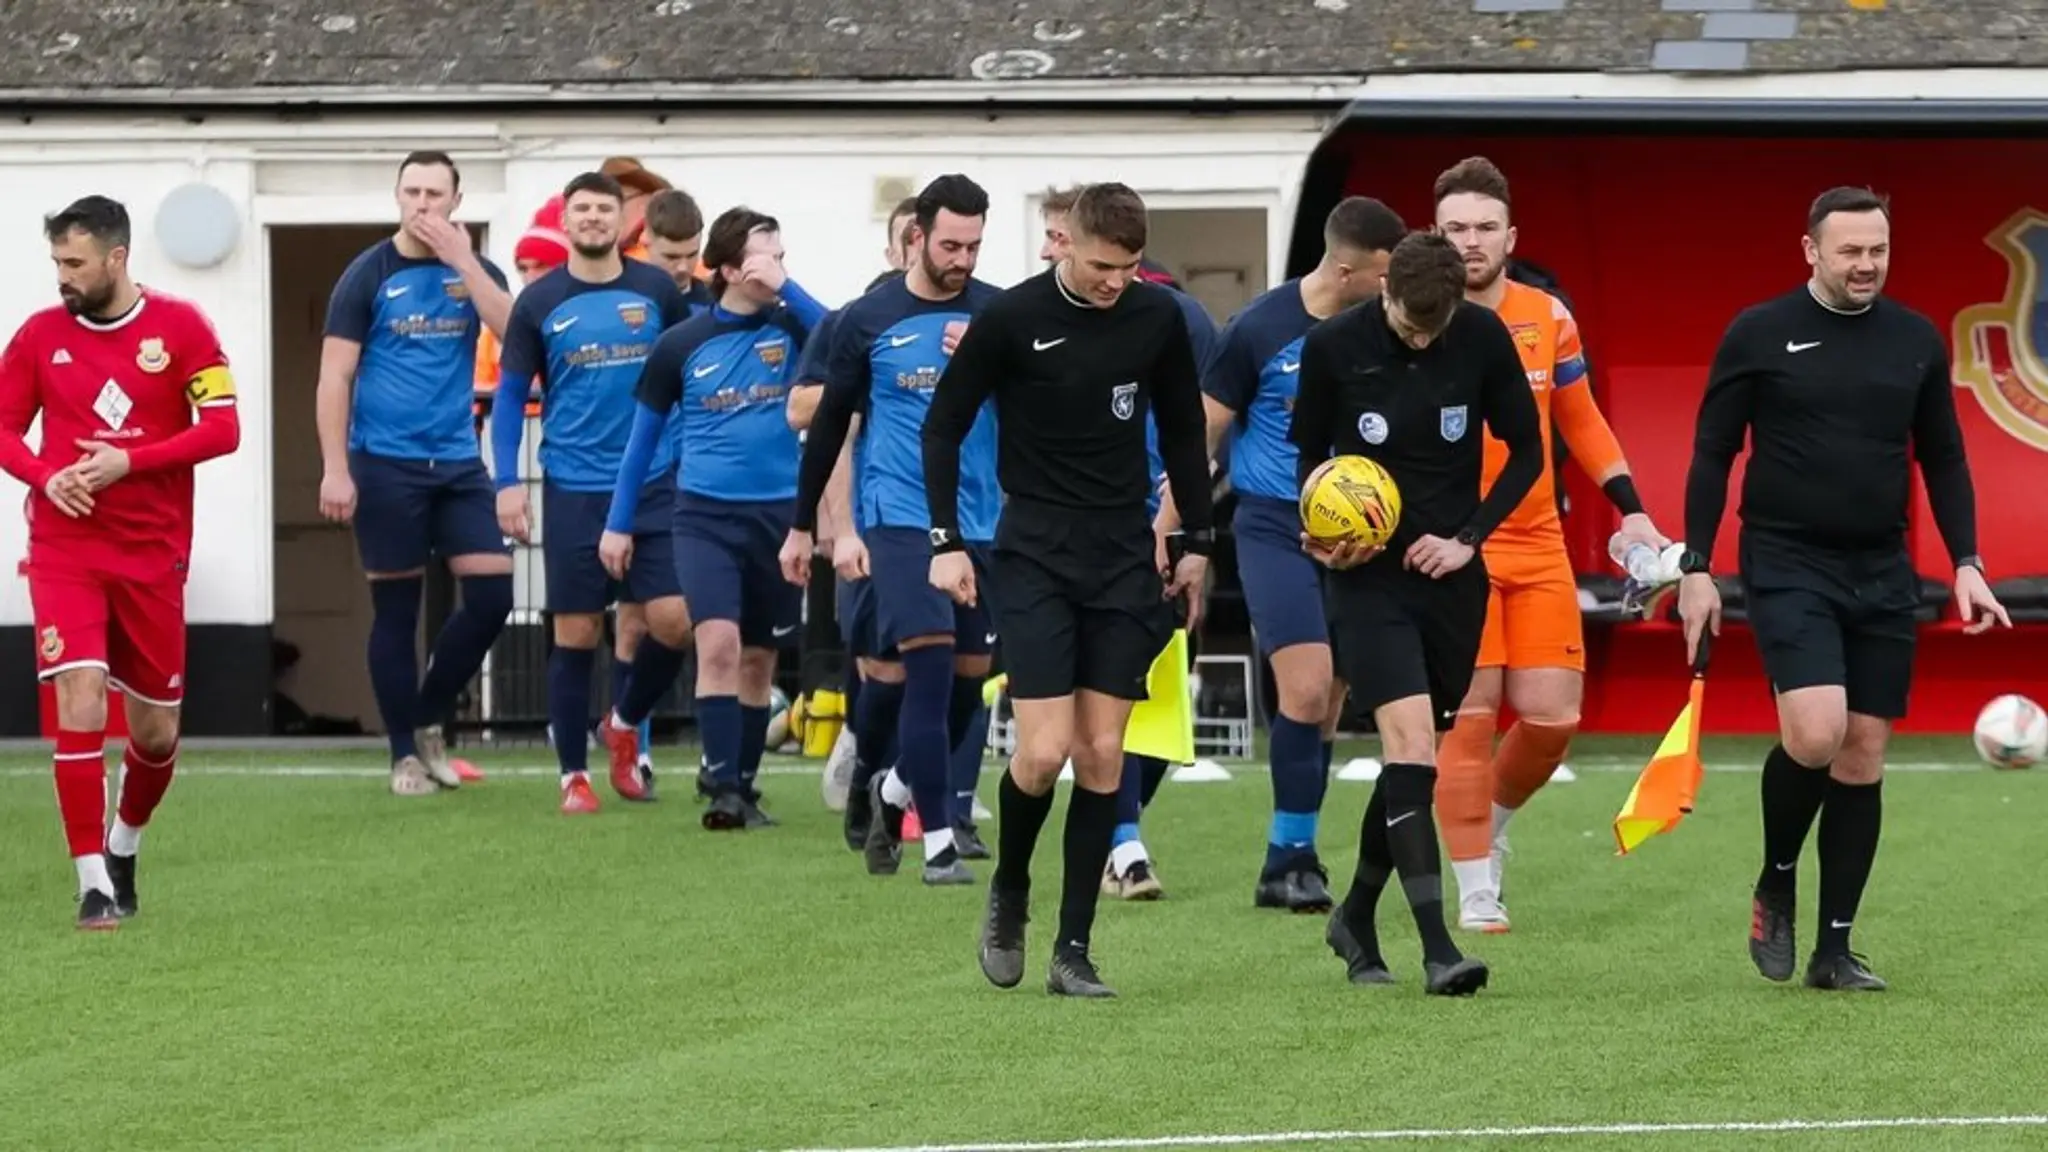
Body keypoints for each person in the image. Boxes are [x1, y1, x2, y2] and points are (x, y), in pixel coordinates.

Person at [1678, 186, 2008, 992]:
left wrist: (1967, 560)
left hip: (1883, 568)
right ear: (1811, 251)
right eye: (1850, 250)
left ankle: (1835, 949)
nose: (1866, 265)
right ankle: (1777, 878)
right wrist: (1694, 567)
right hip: (1787, 560)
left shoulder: (1915, 340)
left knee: (1863, 754)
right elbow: (1714, 452)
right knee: (1818, 734)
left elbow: (1946, 457)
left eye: (1878, 251)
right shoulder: (1758, 332)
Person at [924, 182, 1213, 999]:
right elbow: (942, 425)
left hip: (1123, 555)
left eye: (1126, 267)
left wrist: (1196, 540)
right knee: (1043, 753)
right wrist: (944, 541)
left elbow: (1186, 429)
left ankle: (1073, 950)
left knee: (1102, 755)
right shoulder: (1012, 320)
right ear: (1064, 244)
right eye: (1097, 265)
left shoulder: (1158, 318)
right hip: (1034, 552)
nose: (1112, 281)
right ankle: (1009, 889)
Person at [1289, 231, 1544, 996]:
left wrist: (1468, 538)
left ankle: (1356, 916)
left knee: (1416, 762)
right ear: (1385, 291)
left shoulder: (1482, 337)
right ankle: (1439, 950)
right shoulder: (1335, 346)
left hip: (1450, 580)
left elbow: (1529, 454)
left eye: (1434, 329)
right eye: (1408, 324)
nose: (1421, 338)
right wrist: (1327, 537)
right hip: (1367, 579)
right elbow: (1307, 459)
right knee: (1407, 744)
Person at [1429, 156, 1669, 932]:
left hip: (1535, 541)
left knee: (1552, 718)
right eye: (1456, 228)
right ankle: (1473, 887)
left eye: (1484, 228)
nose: (1471, 242)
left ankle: (1487, 831)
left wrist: (1631, 509)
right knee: (1470, 717)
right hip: (1451, 550)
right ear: (1435, 235)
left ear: (1511, 235)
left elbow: (1581, 418)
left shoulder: (1548, 314)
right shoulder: (1413, 315)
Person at [1156, 195, 1408, 912]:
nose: (1391, 289)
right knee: (1304, 685)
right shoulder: (1260, 328)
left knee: (1329, 698)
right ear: (1347, 268)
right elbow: (1201, 434)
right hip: (1271, 526)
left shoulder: (1383, 332)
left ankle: (1287, 858)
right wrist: (1172, 528)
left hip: (1356, 534)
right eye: (1384, 275)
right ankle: (1291, 856)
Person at [0, 196, 242, 929]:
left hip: (152, 556)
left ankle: (123, 842)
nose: (62, 277)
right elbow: (6, 429)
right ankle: (92, 883)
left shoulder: (181, 329)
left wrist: (126, 463)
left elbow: (224, 429)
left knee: (156, 735)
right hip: (66, 551)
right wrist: (47, 476)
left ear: (117, 258)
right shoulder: (39, 337)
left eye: (74, 263)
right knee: (78, 701)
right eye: (56, 263)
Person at [782, 174, 1001, 884]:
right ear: (916, 238)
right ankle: (935, 839)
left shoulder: (997, 315)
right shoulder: (866, 319)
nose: (962, 258)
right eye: (949, 244)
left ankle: (891, 785)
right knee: (927, 669)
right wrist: (801, 527)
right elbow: (825, 430)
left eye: (973, 245)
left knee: (972, 680)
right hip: (898, 515)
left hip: (982, 519)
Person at [597, 206, 828, 830]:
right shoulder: (680, 345)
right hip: (701, 515)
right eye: (761, 258)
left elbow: (839, 338)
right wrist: (618, 523)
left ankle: (745, 784)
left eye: (780, 256)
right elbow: (642, 442)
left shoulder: (793, 327)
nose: (774, 268)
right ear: (727, 267)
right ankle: (722, 786)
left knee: (759, 659)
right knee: (717, 642)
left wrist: (787, 287)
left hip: (779, 517)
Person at [490, 171, 698, 813]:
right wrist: (505, 483)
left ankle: (624, 720)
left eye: (604, 209)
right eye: (580, 209)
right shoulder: (538, 301)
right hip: (574, 483)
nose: (592, 219)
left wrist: (689, 455)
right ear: (567, 220)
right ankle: (572, 775)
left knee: (676, 622)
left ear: (622, 220)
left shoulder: (657, 289)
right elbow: (506, 396)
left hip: (655, 481)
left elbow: (689, 374)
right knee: (576, 631)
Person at [316, 150, 515, 796]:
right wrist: (334, 469)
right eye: (412, 192)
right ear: (396, 196)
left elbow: (514, 336)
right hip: (384, 463)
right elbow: (334, 376)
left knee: (492, 597)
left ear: (456, 202)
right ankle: (404, 753)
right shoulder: (367, 274)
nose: (423, 204)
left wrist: (461, 260)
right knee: (397, 611)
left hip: (457, 460)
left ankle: (428, 713)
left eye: (435, 193)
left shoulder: (475, 269)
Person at [1038, 183, 1217, 902]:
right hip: (1067, 541)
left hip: (1160, 525)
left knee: (1164, 696)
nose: (1053, 250)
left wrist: (1175, 527)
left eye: (1059, 236)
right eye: (1050, 239)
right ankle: (1122, 842)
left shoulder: (1180, 317)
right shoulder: (1032, 318)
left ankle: (1120, 828)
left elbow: (1198, 429)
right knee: (1091, 703)